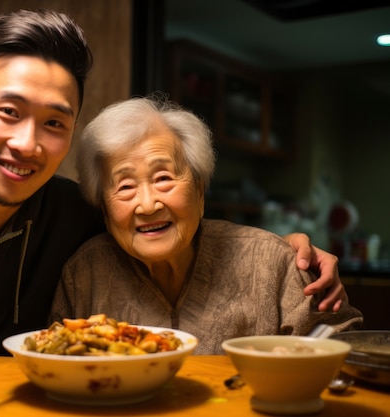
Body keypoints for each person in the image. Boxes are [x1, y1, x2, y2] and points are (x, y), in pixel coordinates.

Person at [0, 9, 345, 417]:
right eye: (8, 111)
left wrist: (286, 246)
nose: (28, 143)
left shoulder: (73, 213)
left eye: (54, 122)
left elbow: (158, 217)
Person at [51, 96, 363, 355]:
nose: (147, 205)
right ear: (104, 208)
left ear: (200, 191)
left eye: (163, 178)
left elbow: (345, 349)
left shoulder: (271, 261)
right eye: (125, 187)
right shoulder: (85, 274)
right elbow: (52, 359)